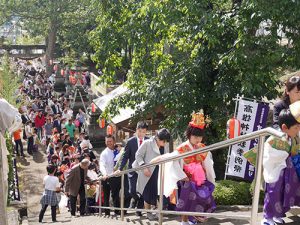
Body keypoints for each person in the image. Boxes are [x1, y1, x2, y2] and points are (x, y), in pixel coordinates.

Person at [152, 111, 216, 225]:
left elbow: (208, 165)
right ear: (189, 135)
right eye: (195, 136)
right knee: (186, 201)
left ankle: (196, 219)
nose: (198, 139)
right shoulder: (183, 148)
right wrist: (183, 176)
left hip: (201, 178)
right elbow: (173, 159)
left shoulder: (202, 147)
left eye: (200, 136)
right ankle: (184, 221)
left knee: (203, 198)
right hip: (186, 179)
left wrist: (211, 179)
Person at [258, 104, 300, 225]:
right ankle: (267, 218)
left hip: (284, 172)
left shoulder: (289, 138)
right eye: (296, 128)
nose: (297, 130)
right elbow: (270, 156)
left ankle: (276, 215)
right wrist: (286, 154)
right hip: (275, 172)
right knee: (272, 194)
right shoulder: (273, 138)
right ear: (285, 127)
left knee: (281, 194)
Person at [132, 128, 171, 220]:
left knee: (159, 192)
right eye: (164, 141)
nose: (165, 143)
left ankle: (159, 212)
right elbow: (138, 155)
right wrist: (144, 167)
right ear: (158, 138)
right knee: (147, 194)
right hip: (147, 172)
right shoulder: (147, 143)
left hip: (159, 172)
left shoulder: (163, 146)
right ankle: (148, 213)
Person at [116, 121, 149, 216]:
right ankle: (136, 199)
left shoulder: (149, 141)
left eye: (143, 131)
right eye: (139, 131)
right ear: (136, 130)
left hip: (144, 170)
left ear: (146, 132)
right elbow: (125, 156)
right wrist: (120, 168)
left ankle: (139, 209)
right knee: (132, 191)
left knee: (143, 190)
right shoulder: (130, 141)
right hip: (132, 170)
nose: (141, 133)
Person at [99, 135, 121, 216]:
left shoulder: (118, 150)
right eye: (107, 141)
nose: (109, 143)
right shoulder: (104, 153)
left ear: (114, 141)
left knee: (115, 194)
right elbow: (102, 164)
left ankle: (117, 210)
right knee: (106, 195)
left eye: (110, 141)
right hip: (107, 176)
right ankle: (107, 212)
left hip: (116, 175)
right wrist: (104, 174)